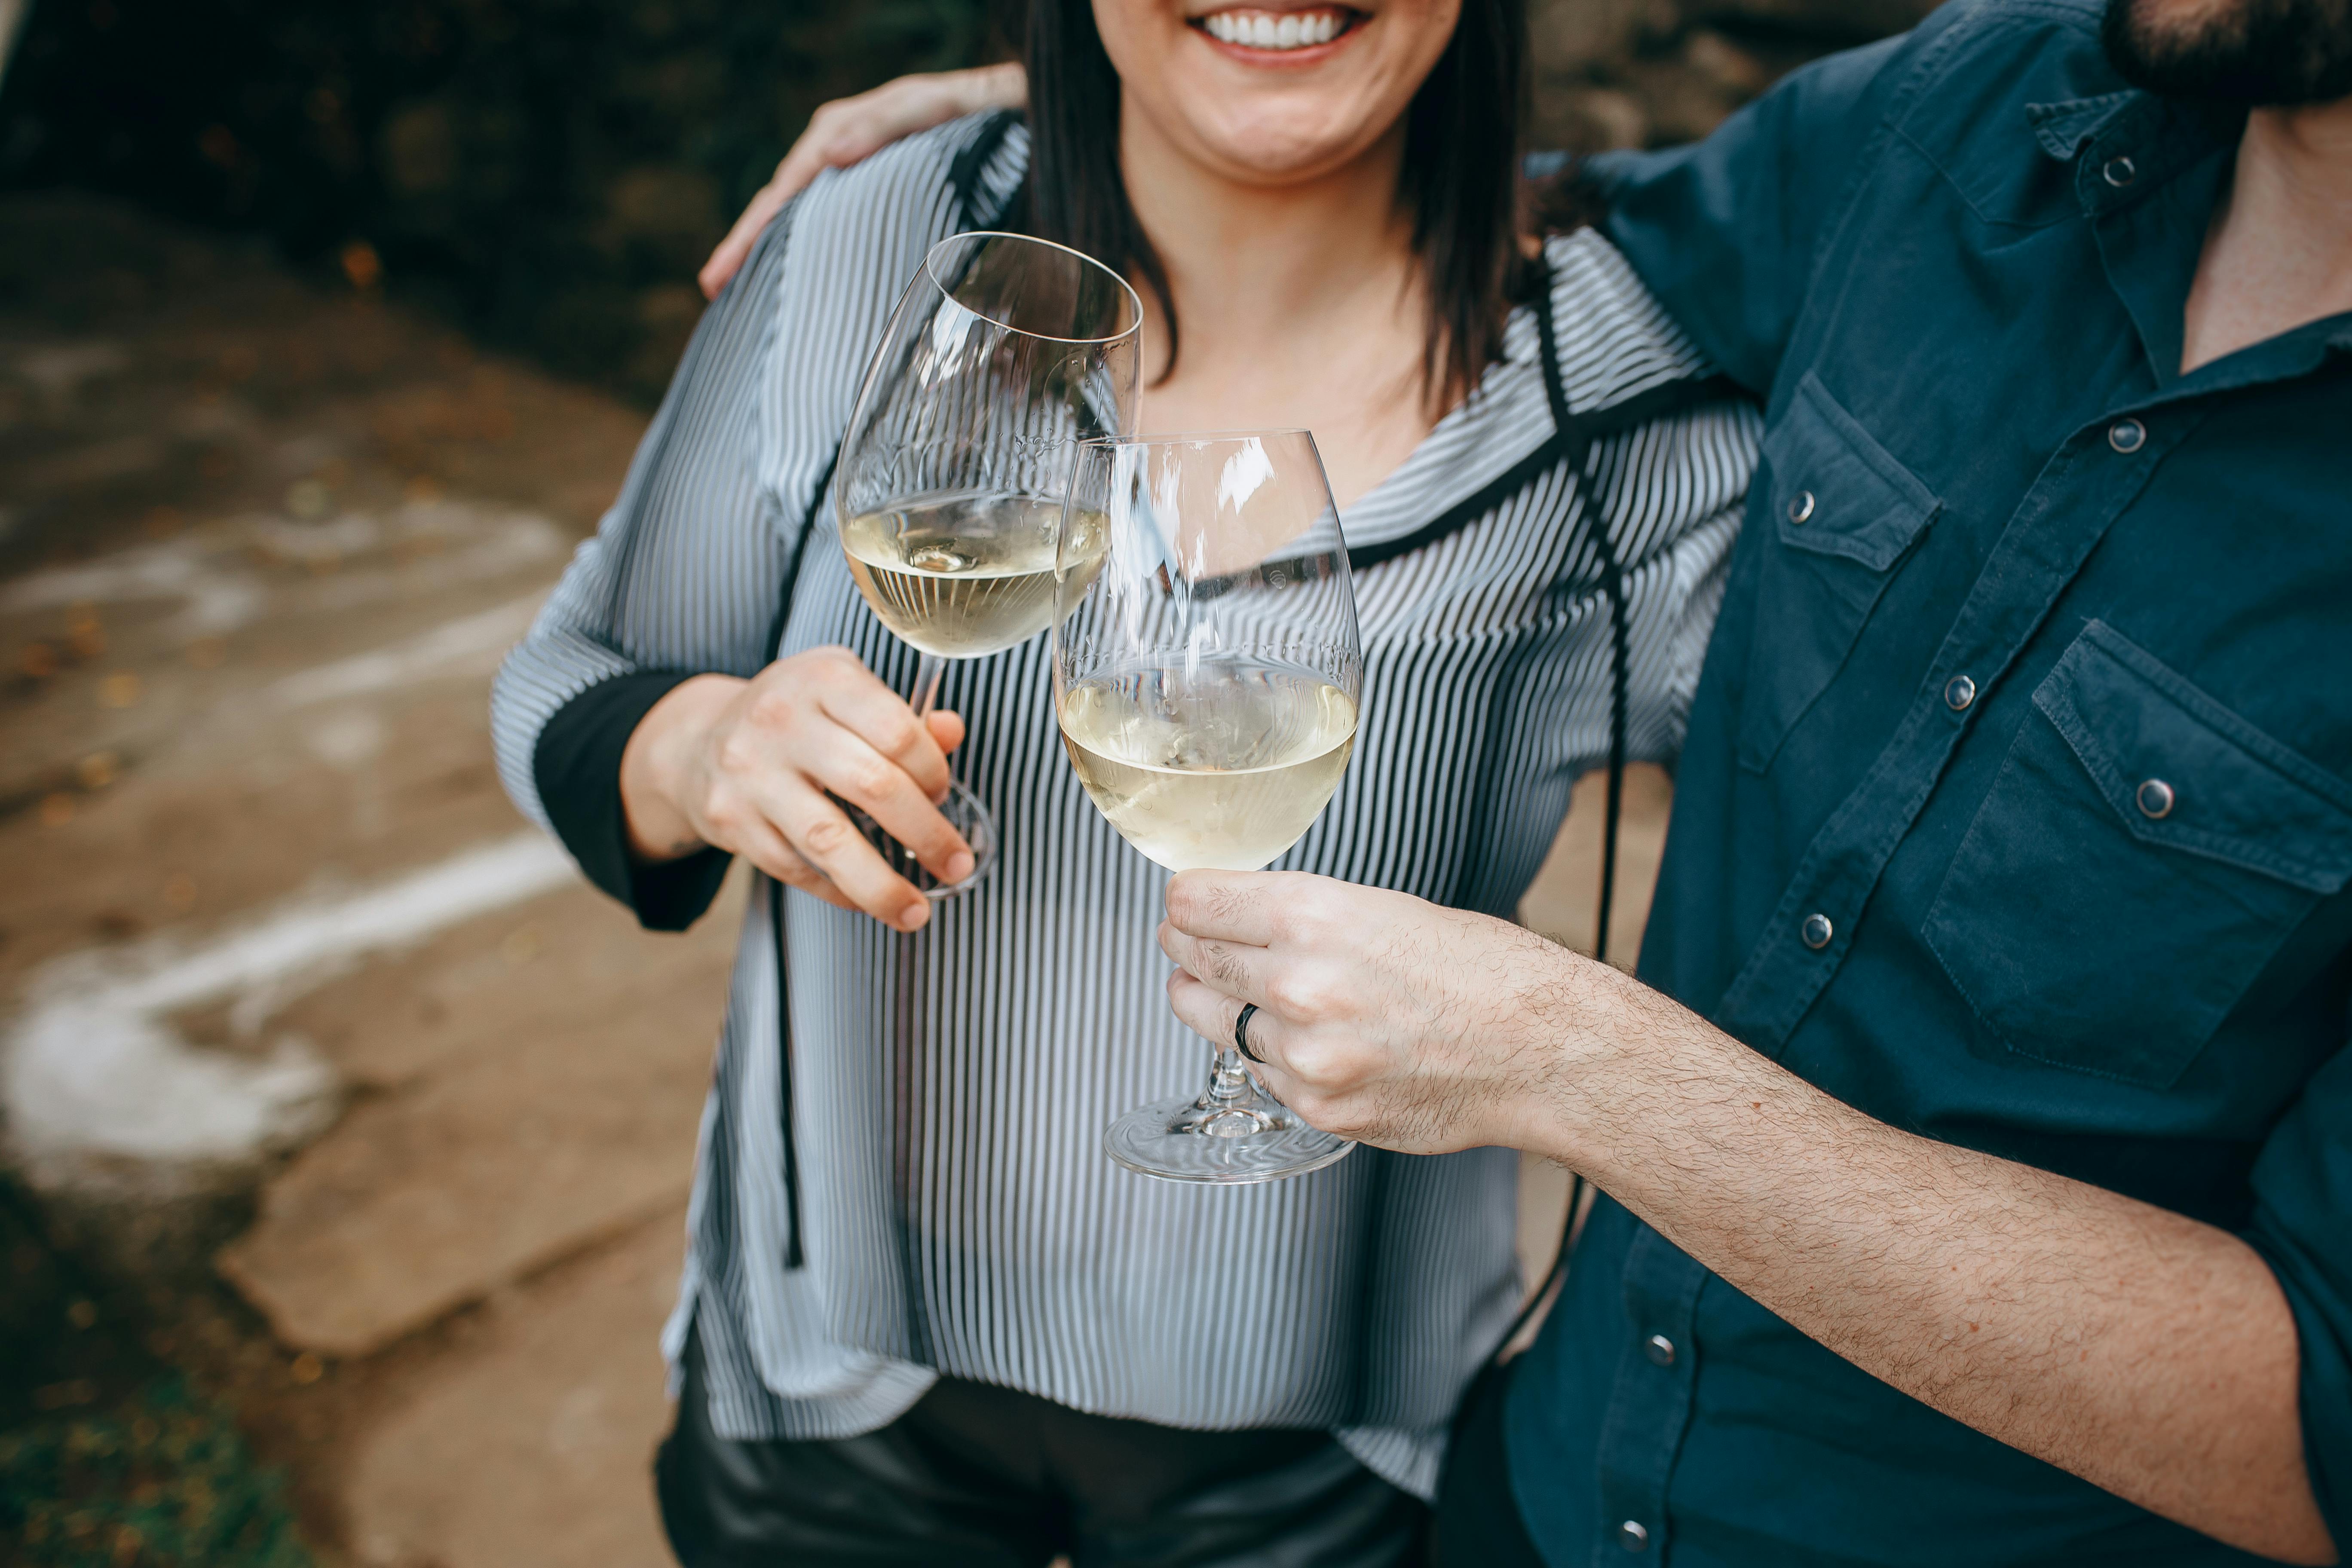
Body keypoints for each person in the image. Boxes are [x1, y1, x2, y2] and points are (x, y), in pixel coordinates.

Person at [490, 0, 1761, 1562]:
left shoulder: (1632, 399)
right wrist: (698, 746)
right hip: (837, 1392)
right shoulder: (880, 229)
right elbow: (572, 678)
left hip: (1326, 1455)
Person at [1138, 0, 2352, 1562]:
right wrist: (1169, 86)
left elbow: (2322, 1432)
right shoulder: (1960, 111)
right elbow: (1520, 207)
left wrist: (1569, 1062)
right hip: (1538, 1494)